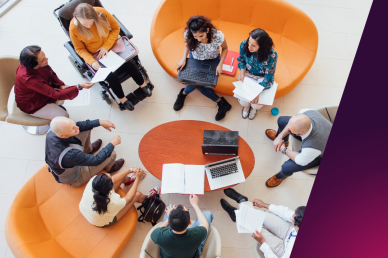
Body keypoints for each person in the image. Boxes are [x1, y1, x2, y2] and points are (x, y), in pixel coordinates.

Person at [69, 3, 153, 111]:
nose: (89, 27)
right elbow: (80, 49)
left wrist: (105, 46)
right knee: (110, 76)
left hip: (112, 46)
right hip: (96, 55)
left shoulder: (102, 13)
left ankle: (142, 84)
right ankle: (123, 99)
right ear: (77, 19)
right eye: (85, 25)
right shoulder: (74, 27)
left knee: (130, 63)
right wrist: (92, 61)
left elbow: (115, 28)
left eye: (91, 23)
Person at [174, 15, 231, 121]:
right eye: (195, 36)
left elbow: (225, 49)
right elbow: (187, 44)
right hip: (195, 58)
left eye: (201, 36)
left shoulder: (217, 35)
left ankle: (183, 93)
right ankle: (221, 102)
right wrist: (184, 58)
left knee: (198, 83)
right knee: (196, 83)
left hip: (212, 60)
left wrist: (220, 64)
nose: (198, 39)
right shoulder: (188, 34)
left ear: (207, 30)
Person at [15, 45, 94, 120]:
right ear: (34, 65)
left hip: (42, 90)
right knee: (64, 116)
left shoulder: (34, 63)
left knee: (66, 90)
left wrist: (60, 85)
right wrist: (79, 86)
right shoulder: (29, 79)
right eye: (42, 60)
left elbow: (50, 73)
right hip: (33, 103)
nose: (47, 59)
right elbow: (56, 94)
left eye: (44, 55)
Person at [220, 188, 305, 258]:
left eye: (292, 219)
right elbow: (286, 213)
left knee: (254, 228)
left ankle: (237, 213)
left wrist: (262, 243)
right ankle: (242, 202)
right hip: (290, 230)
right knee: (260, 215)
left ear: (298, 227)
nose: (291, 217)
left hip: (284, 251)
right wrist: (265, 205)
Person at [45, 116, 125, 187]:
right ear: (61, 136)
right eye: (72, 129)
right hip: (76, 176)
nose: (76, 128)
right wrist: (112, 143)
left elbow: (79, 125)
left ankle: (88, 151)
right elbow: (96, 160)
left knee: (85, 128)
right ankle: (108, 168)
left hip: (71, 160)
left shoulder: (52, 130)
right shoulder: (70, 155)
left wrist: (100, 122)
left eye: (73, 124)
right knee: (112, 153)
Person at [264, 109, 333, 187]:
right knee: (282, 120)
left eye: (290, 130)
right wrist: (279, 137)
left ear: (302, 132)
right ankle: (284, 141)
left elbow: (301, 161)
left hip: (321, 153)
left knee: (287, 167)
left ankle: (280, 176)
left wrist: (283, 149)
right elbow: (289, 124)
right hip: (322, 135)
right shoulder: (307, 112)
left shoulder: (312, 147)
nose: (288, 129)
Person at [79, 168, 159, 228]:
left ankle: (128, 180)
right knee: (136, 195)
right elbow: (129, 198)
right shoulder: (113, 202)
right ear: (109, 190)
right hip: (99, 221)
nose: (111, 175)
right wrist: (137, 178)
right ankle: (146, 198)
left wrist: (130, 170)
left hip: (85, 209)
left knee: (121, 177)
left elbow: (113, 179)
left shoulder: (94, 181)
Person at [237, 29, 278, 120]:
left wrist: (257, 91)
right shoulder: (244, 44)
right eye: (249, 42)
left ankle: (254, 109)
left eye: (253, 45)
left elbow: (269, 77)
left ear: (262, 47)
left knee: (256, 104)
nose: (249, 47)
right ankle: (246, 107)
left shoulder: (272, 55)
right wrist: (242, 71)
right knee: (243, 101)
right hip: (247, 74)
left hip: (262, 78)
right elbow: (241, 60)